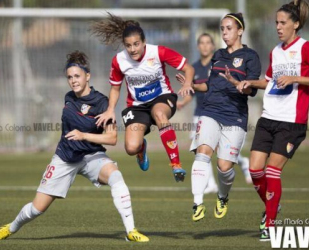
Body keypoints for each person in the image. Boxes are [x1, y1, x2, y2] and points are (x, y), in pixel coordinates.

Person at [0, 51, 149, 242]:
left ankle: (131, 231)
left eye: (77, 76)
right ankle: (11, 227)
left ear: (87, 76)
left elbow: (112, 138)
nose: (73, 81)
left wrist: (84, 135)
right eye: (69, 77)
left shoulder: (102, 104)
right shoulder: (69, 98)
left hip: (92, 156)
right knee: (37, 209)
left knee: (116, 177)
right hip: (65, 158)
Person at [239, 0, 309, 241]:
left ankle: (270, 224)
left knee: (272, 170)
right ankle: (273, 206)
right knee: (255, 170)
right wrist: (251, 82)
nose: (278, 27)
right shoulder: (275, 51)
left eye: (283, 23)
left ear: (296, 24)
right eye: (276, 23)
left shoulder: (307, 48)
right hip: (268, 118)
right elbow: (270, 81)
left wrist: (296, 78)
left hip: (291, 122)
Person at [91, 13, 195, 182]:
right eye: (128, 45)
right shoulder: (118, 61)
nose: (133, 49)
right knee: (131, 147)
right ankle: (141, 148)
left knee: (160, 114)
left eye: (136, 44)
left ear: (144, 42)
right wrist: (110, 110)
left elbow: (188, 68)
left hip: (162, 97)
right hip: (137, 106)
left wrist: (187, 83)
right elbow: (115, 88)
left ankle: (176, 164)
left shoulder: (158, 52)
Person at [178, 13, 261, 222]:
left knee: (224, 167)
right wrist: (192, 85)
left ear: (240, 30)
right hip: (210, 111)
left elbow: (252, 90)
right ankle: (197, 203)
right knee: (202, 152)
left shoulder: (251, 56)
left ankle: (223, 196)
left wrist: (237, 83)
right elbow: (209, 85)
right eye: (222, 28)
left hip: (235, 115)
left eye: (229, 28)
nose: (224, 32)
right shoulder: (218, 55)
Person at [177, 33, 252, 195]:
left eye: (207, 43)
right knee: (200, 149)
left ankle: (242, 162)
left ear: (212, 46)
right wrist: (183, 102)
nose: (204, 46)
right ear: (198, 46)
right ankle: (210, 183)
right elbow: (192, 89)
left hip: (221, 112)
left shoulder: (220, 64)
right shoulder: (194, 68)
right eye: (201, 43)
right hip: (201, 113)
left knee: (219, 149)